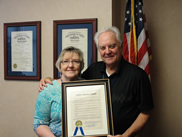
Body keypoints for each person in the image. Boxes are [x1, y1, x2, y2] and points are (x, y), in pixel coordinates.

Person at [39, 26, 154, 137]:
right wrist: (50, 80)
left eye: (112, 46)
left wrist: (126, 135)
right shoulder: (93, 69)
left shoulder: (137, 75)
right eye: (103, 48)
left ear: (120, 46)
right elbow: (72, 80)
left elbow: (146, 112)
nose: (107, 51)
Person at [33, 46, 84, 137]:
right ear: (60, 65)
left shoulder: (89, 87)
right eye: (66, 61)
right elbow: (39, 123)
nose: (70, 65)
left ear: (81, 66)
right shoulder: (48, 89)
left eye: (76, 61)